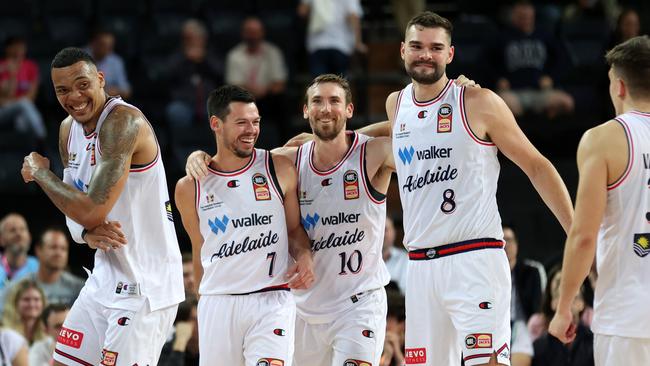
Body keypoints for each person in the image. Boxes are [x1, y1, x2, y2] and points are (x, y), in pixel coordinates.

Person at [355, 11, 572, 366]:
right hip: (421, 268)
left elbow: (537, 165)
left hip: (474, 260)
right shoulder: (397, 104)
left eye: (435, 48)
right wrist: (336, 139)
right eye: (417, 46)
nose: (425, 54)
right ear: (402, 50)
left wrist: (576, 233)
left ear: (450, 54)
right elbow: (400, 130)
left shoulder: (477, 101)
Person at [185, 75, 396, 365]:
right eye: (317, 102)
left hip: (358, 304)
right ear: (305, 110)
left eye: (335, 101)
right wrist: (198, 156)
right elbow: (236, 161)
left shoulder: (374, 153)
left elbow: (412, 128)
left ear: (349, 109)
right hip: (302, 309)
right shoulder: (287, 160)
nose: (326, 108)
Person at [20, 47, 184, 365]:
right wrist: (83, 232)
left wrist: (41, 173)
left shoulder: (123, 122)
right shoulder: (68, 130)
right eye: (62, 90)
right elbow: (74, 201)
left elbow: (91, 208)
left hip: (144, 284)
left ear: (100, 79)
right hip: (104, 277)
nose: (75, 96)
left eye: (83, 84)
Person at [175, 85, 315, 366]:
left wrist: (305, 255)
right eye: (241, 123)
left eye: (256, 122)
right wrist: (203, 303)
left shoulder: (279, 166)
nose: (251, 130)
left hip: (271, 298)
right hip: (218, 302)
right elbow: (199, 247)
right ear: (216, 124)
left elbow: (293, 230)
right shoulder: (190, 187)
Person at [549, 35, 650, 365]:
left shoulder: (603, 139)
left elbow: (583, 236)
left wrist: (564, 307)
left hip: (628, 318)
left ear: (619, 86)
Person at [225, 17, 288, 144]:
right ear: (243, 34)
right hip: (243, 99)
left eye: (256, 32)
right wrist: (252, 92)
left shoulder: (273, 52)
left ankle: (284, 146)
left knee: (283, 101)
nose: (253, 36)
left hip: (267, 98)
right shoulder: (234, 55)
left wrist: (264, 90)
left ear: (262, 33)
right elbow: (233, 86)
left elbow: (280, 83)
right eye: (249, 32)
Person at [1, 228, 84, 312]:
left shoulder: (80, 288)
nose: (58, 253)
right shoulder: (18, 287)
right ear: (38, 250)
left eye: (63, 249)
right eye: (53, 247)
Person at [297, 0, 367, 77]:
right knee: (339, 85)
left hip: (318, 44)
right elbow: (354, 16)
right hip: (340, 44)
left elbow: (302, 11)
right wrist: (358, 43)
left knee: (320, 85)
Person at [0, 36, 46, 147]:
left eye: (21, 46)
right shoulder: (2, 67)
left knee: (22, 117)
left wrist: (14, 101)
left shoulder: (31, 66)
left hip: (22, 109)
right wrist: (12, 75)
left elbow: (31, 97)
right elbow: (2, 101)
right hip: (3, 112)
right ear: (7, 48)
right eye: (14, 46)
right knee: (23, 104)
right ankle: (42, 140)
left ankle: (27, 151)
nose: (18, 49)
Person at [87, 28, 132, 99]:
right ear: (93, 43)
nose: (107, 49)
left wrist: (116, 91)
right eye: (103, 45)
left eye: (110, 46)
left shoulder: (116, 61)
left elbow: (126, 91)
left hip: (108, 102)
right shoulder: (79, 57)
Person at [0, 213, 38, 294]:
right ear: (1, 239)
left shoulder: (39, 267)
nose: (18, 234)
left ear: (30, 237)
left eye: (22, 229)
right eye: (12, 230)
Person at [2, 279, 46, 345]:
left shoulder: (49, 331)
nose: (32, 304)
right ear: (15, 302)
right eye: (26, 299)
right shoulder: (4, 332)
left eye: (36, 299)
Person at [383, 215, 409, 294]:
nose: (381, 234)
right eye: (378, 230)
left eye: (385, 230)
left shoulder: (406, 259)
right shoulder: (362, 261)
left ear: (393, 232)